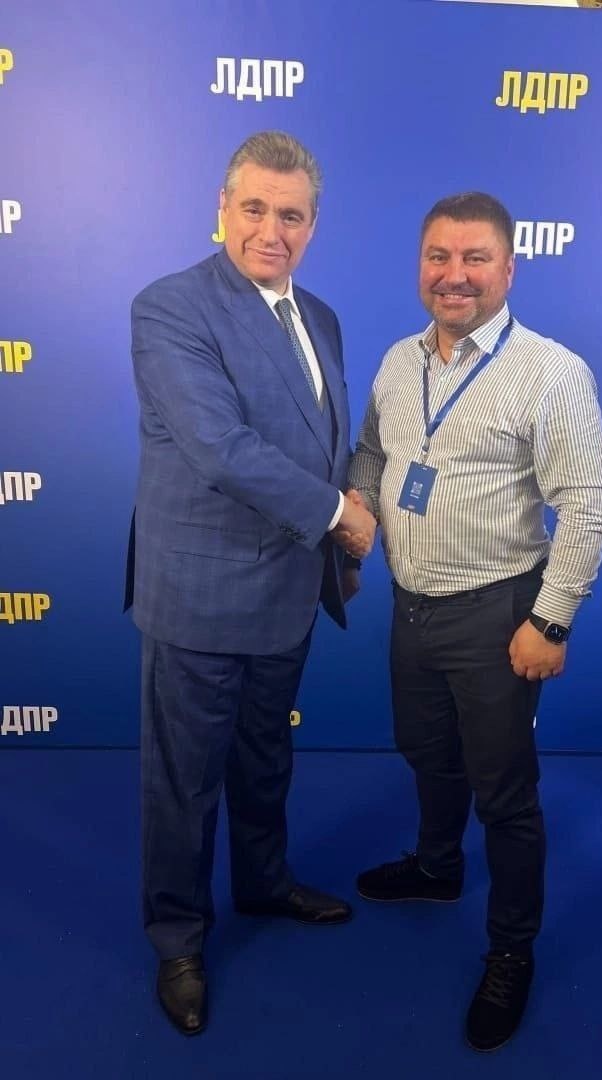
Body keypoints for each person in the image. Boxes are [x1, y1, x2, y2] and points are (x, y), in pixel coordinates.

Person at [348, 192, 602, 1052]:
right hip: (411, 606)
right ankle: (436, 868)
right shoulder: (399, 360)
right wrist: (358, 518)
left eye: (474, 258)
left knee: (504, 793)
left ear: (508, 268)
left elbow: (589, 507)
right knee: (426, 752)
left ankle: (511, 950)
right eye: (438, 256)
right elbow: (374, 451)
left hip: (498, 614)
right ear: (420, 264)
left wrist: (551, 621)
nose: (453, 275)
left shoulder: (551, 372)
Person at [125, 130, 376, 1035]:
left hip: (287, 594)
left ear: (313, 225)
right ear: (223, 208)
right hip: (199, 595)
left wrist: (343, 529)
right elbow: (220, 449)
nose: (273, 230)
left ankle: (264, 884)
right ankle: (179, 940)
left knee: (266, 760)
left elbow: (323, 440)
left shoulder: (323, 317)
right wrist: (341, 515)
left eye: (292, 215)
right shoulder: (170, 307)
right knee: (184, 782)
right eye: (256, 208)